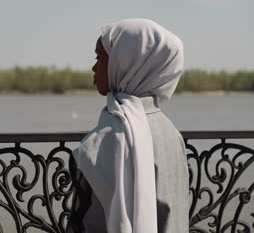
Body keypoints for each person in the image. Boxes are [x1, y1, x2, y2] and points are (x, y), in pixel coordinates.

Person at [68, 19, 189, 233]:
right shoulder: (170, 131)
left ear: (124, 64)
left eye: (99, 57)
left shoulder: (109, 139)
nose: (94, 66)